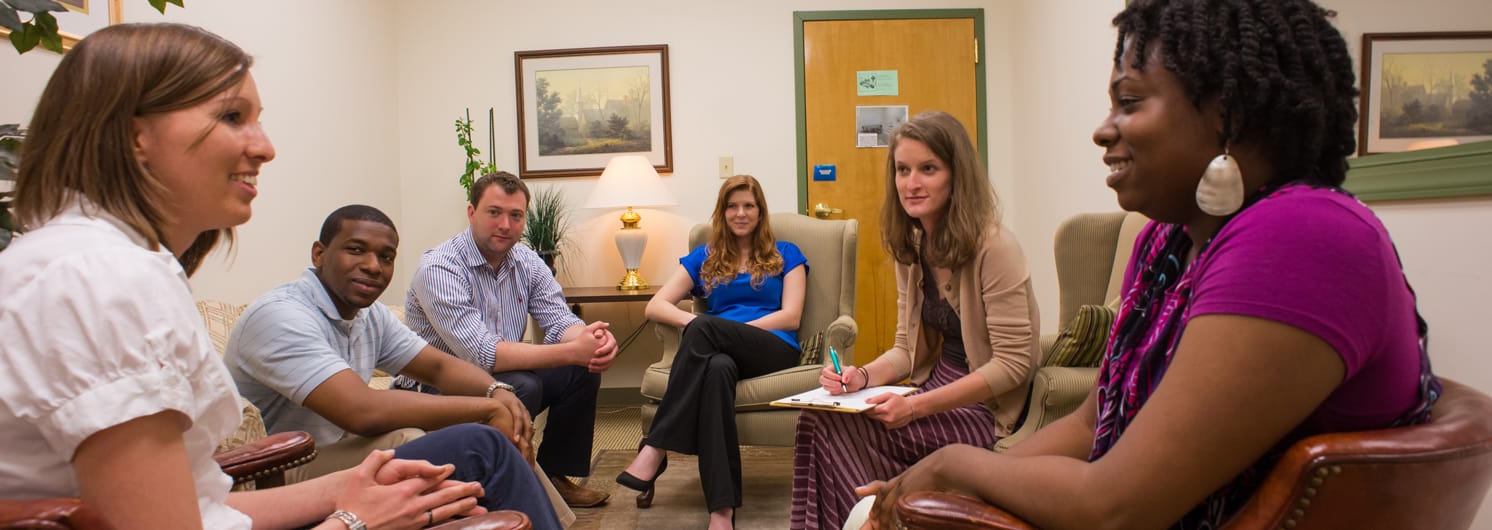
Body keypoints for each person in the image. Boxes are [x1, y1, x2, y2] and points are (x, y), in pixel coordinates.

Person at [858, 1, 1442, 528]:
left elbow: (1116, 506)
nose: (1102, 129)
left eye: (1130, 102)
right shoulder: (1166, 244)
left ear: (1230, 112)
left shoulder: (1301, 237)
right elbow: (1092, 427)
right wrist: (935, 484)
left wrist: (954, 468)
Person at [0, 23, 489, 529]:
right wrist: (353, 521)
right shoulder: (102, 278)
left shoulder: (102, 261)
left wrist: (345, 488)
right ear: (134, 134)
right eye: (232, 116)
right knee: (477, 457)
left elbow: (200, 508)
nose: (265, 147)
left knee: (461, 457)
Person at [225, 204, 563, 529]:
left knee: (501, 431)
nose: (373, 266)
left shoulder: (367, 315)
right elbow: (362, 410)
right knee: (452, 443)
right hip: (274, 475)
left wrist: (497, 391)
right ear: (319, 254)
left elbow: (439, 368)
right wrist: (488, 409)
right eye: (356, 250)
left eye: (386, 257)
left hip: (332, 453)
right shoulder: (281, 316)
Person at [789, 111, 1042, 530]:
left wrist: (915, 405)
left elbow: (1015, 364)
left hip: (985, 410)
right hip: (931, 390)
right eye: (903, 170)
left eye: (928, 169)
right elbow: (906, 350)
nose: (911, 183)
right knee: (820, 417)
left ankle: (876, 519)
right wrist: (860, 378)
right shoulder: (914, 245)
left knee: (828, 427)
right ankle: (868, 520)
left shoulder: (996, 247)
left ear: (956, 176)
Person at [402, 171, 617, 508]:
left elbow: (559, 319)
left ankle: (554, 475)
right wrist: (573, 351)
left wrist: (591, 339)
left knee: (581, 370)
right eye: (494, 212)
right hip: (431, 386)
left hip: (495, 376)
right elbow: (483, 355)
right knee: (521, 385)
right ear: (472, 213)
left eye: (515, 215)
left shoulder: (526, 261)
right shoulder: (439, 268)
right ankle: (502, 482)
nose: (505, 224)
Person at [616, 175, 808, 529]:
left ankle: (656, 446)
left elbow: (791, 315)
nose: (740, 213)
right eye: (732, 206)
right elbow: (656, 306)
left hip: (774, 347)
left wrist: (726, 331)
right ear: (721, 213)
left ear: (760, 211)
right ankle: (721, 510)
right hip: (718, 351)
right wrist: (706, 331)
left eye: (748, 205)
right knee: (717, 369)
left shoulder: (787, 253)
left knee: (705, 328)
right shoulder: (705, 257)